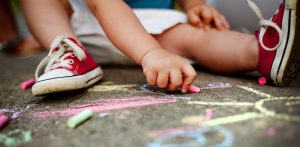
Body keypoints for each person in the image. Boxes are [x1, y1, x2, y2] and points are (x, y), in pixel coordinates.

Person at [20, 0, 299, 96]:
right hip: (79, 24)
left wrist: (194, 6)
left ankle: (264, 52)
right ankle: (66, 51)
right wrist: (149, 53)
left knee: (197, 36)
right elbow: (103, 5)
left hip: (152, 24)